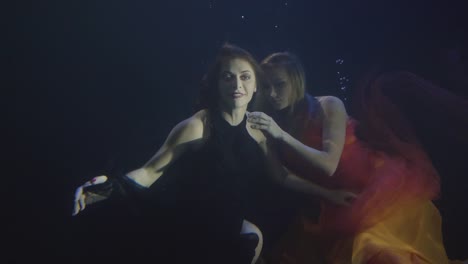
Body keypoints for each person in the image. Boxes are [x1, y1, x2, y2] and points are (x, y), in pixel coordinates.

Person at [71, 44, 351, 264]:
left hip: (231, 229)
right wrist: (107, 187)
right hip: (190, 229)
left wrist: (327, 194)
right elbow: (150, 170)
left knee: (253, 236)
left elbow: (282, 176)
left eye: (244, 77)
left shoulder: (258, 128)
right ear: (217, 84)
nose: (236, 85)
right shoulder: (196, 126)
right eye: (228, 77)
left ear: (254, 86)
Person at [248, 51, 467, 263]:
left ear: (296, 80)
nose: (272, 93)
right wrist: (328, 194)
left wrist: (281, 135)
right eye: (266, 87)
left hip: (377, 189)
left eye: (280, 84)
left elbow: (328, 165)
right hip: (338, 201)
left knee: (383, 251)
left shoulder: (328, 105)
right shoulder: (269, 121)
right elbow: (280, 176)